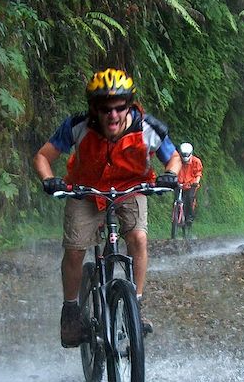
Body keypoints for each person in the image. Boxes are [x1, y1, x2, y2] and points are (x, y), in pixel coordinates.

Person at [32, 68, 181, 347]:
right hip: (85, 191)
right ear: (94, 108)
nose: (113, 115)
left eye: (119, 108)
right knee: (75, 251)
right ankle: (71, 310)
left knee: (138, 238)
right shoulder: (77, 126)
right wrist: (50, 180)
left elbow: (172, 157)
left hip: (132, 189)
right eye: (105, 109)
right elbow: (42, 156)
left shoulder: (146, 128)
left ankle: (135, 305)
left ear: (129, 106)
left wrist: (170, 174)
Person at [176, 142, 203, 230]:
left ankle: (190, 217)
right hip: (179, 184)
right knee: (177, 199)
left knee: (189, 198)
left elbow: (198, 174)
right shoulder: (177, 160)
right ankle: (176, 217)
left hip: (191, 185)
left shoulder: (196, 161)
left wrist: (195, 183)